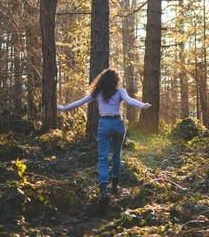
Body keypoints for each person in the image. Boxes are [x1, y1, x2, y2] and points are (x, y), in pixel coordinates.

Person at [58, 68, 151, 202]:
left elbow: (80, 102)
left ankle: (103, 191)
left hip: (104, 124)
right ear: (116, 81)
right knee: (116, 155)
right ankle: (114, 188)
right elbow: (129, 100)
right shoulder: (120, 91)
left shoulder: (98, 92)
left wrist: (63, 108)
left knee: (103, 157)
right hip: (118, 124)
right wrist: (143, 105)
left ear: (102, 80)